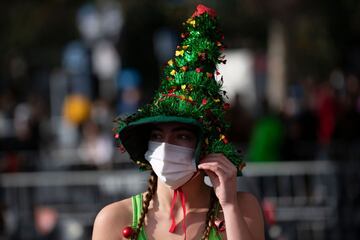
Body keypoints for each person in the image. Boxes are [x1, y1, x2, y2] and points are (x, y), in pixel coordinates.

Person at [92, 4, 265, 240]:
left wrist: (229, 206)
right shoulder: (114, 219)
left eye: (182, 136)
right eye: (157, 136)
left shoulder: (242, 208)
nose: (165, 146)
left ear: (204, 147)